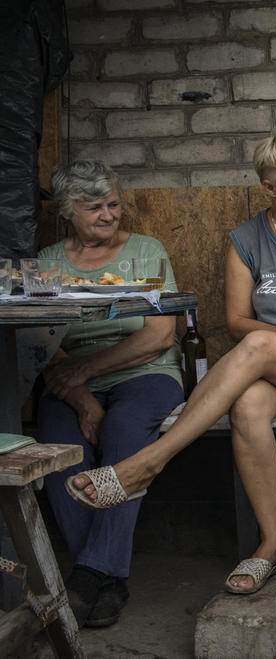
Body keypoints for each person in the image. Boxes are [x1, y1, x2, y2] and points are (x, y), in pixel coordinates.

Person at [64, 132, 276, 594]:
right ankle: (271, 544)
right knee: (246, 409)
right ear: (269, 188)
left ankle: (149, 463)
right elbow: (238, 320)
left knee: (256, 350)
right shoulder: (245, 239)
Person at [37, 159, 184, 626]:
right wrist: (82, 398)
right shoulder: (45, 264)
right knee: (60, 443)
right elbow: (40, 343)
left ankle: (86, 576)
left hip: (146, 372)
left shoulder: (146, 250)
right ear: (66, 211)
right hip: (72, 384)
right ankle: (105, 578)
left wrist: (86, 371)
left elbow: (159, 336)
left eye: (114, 204)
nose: (108, 214)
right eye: (93, 207)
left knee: (124, 427)